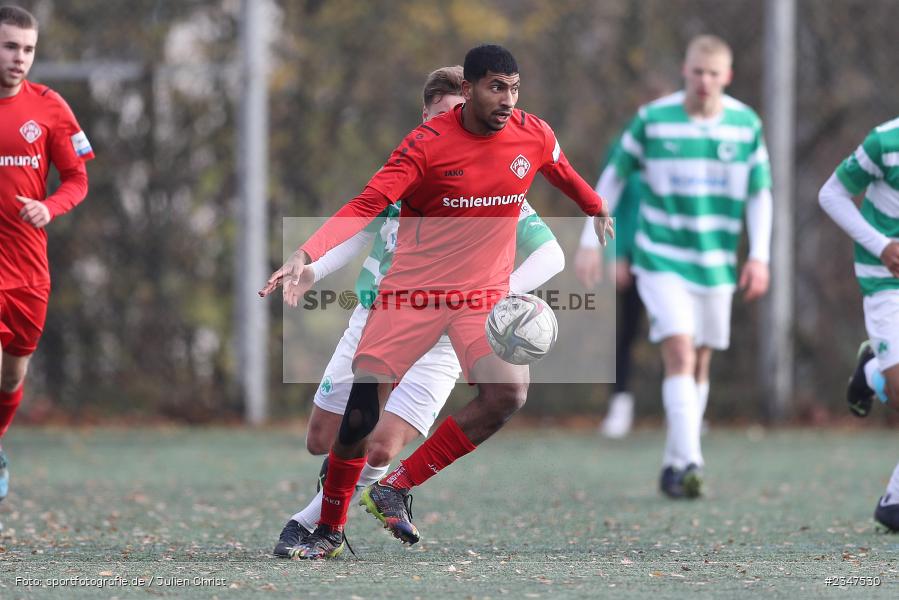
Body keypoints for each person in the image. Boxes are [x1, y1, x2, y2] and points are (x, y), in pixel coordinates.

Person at [261, 44, 612, 559]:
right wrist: (307, 253)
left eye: (514, 88)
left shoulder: (532, 134)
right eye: (496, 87)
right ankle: (330, 529)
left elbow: (561, 169)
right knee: (359, 416)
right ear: (468, 91)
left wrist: (595, 206)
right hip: (411, 295)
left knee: (508, 394)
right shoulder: (424, 146)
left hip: (479, 299)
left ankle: (394, 487)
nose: (508, 99)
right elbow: (366, 205)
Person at [578, 34, 772, 498]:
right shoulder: (653, 120)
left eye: (713, 73)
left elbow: (759, 194)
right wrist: (591, 239)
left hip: (716, 262)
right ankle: (691, 461)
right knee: (680, 353)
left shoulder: (745, 125)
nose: (704, 81)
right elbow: (612, 176)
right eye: (696, 72)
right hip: (661, 256)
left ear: (727, 77)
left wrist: (760, 256)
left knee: (701, 359)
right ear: (685, 72)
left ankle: (674, 461)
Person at [0, 5, 94, 516]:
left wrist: (49, 206)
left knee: (12, 377)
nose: (20, 58)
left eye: (28, 49)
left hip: (28, 270)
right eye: (10, 46)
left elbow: (77, 179)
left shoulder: (50, 108)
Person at [576, 76, 674, 439]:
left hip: (674, 254)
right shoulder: (625, 146)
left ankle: (682, 409)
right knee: (628, 330)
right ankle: (620, 407)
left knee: (678, 331)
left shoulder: (684, 146)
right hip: (632, 254)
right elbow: (608, 202)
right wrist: (613, 254)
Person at [819, 115, 899, 531]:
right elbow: (831, 195)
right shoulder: (886, 141)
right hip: (886, 278)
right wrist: (882, 246)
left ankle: (894, 502)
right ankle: (874, 371)